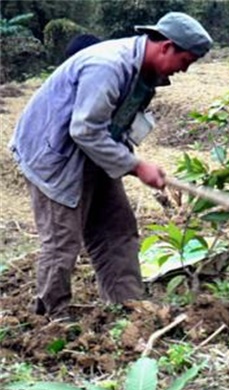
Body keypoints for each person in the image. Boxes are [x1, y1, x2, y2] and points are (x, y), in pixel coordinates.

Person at [9, 12, 213, 321]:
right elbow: (85, 129)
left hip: (95, 154)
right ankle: (51, 318)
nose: (185, 69)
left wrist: (129, 159)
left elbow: (115, 124)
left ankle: (129, 305)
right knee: (63, 240)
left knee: (117, 228)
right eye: (186, 60)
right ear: (167, 46)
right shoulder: (107, 65)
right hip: (54, 156)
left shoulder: (144, 74)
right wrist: (135, 166)